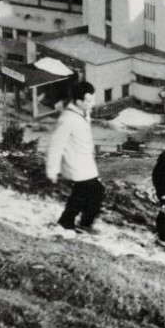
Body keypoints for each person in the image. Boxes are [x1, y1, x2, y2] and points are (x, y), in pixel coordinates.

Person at [45, 80, 104, 235]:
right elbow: (55, 145)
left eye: (93, 99)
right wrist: (52, 170)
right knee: (87, 192)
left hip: (85, 163)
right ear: (79, 102)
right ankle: (68, 223)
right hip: (75, 164)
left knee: (91, 192)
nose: (93, 103)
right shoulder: (67, 119)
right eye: (89, 100)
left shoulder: (83, 113)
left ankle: (79, 222)